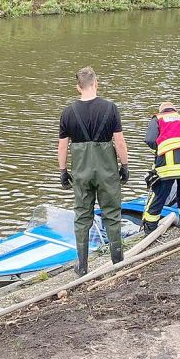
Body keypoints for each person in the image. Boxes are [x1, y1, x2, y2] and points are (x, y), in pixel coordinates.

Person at [58, 67, 129, 276]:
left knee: (82, 217)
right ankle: (117, 261)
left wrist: (62, 171)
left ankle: (82, 266)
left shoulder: (68, 112)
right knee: (112, 214)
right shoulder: (110, 108)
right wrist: (124, 166)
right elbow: (120, 142)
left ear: (78, 87)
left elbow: (62, 146)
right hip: (107, 171)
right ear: (96, 83)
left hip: (81, 173)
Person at [143, 102, 180, 231]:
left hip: (168, 162)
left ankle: (150, 227)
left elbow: (150, 139)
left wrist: (158, 152)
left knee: (160, 194)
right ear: (175, 110)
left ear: (161, 110)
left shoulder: (158, 118)